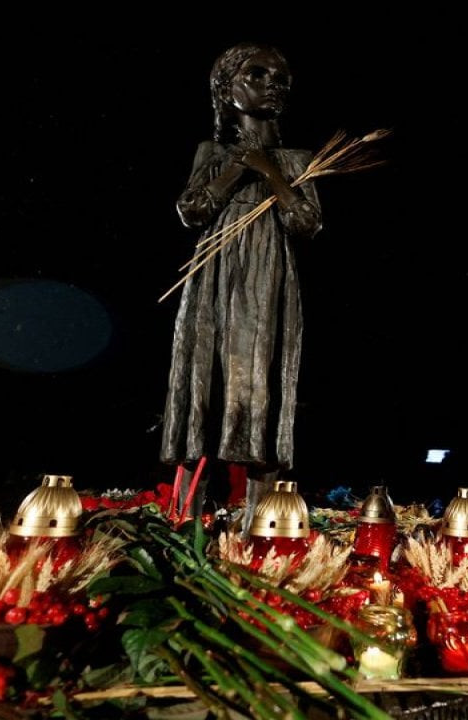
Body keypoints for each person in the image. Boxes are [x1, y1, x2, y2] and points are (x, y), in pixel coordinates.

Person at [159, 42, 322, 528]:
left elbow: (307, 221)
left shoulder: (300, 159)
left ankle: (261, 526)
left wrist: (271, 172)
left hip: (267, 282)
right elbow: (192, 211)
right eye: (257, 74)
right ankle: (183, 521)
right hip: (212, 280)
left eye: (280, 78)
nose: (273, 83)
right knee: (201, 383)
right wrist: (236, 168)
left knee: (261, 385)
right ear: (227, 88)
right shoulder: (210, 152)